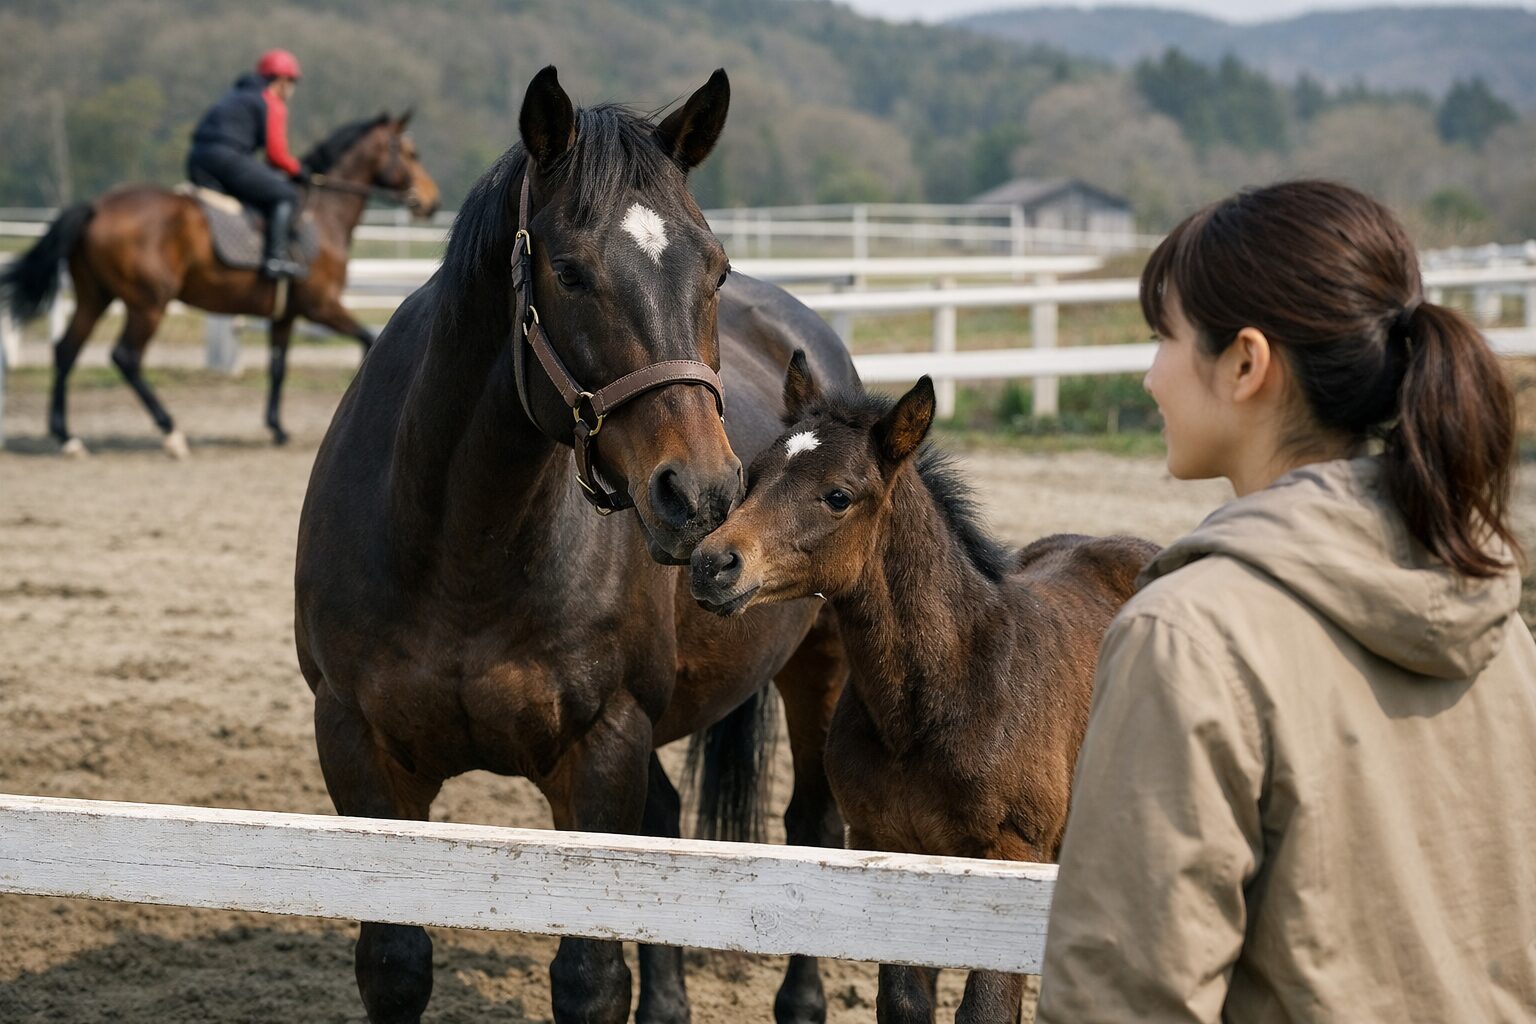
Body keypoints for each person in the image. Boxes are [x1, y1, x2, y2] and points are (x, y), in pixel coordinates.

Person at [1036, 180, 1536, 1022]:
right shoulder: (1492, 615)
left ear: (1246, 364)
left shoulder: (1187, 635)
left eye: (1165, 337)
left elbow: (1126, 997)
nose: (1150, 373)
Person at [187, 49, 306, 279]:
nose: (291, 89)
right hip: (226, 158)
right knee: (286, 195)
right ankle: (275, 259)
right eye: (292, 81)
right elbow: (276, 155)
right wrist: (298, 170)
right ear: (281, 80)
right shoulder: (270, 100)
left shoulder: (237, 94)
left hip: (198, 159)